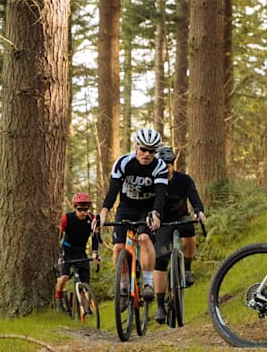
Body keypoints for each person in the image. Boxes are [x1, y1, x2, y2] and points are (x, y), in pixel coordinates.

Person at [95, 128, 168, 302]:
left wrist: (156, 214)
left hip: (148, 208)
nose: (147, 154)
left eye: (152, 151)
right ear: (136, 146)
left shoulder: (160, 166)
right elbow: (113, 191)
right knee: (118, 247)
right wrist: (103, 213)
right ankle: (124, 285)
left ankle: (148, 284)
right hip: (126, 207)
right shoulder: (123, 163)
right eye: (143, 149)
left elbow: (160, 195)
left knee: (144, 238)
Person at [152, 146, 206, 324]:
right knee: (160, 260)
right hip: (161, 222)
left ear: (173, 164)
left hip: (181, 217)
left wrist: (199, 211)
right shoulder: (152, 181)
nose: (166, 167)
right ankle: (160, 306)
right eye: (162, 164)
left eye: (169, 164)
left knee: (190, 230)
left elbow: (194, 198)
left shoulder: (184, 180)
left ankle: (188, 269)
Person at [54, 192, 101, 311]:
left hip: (81, 251)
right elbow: (59, 236)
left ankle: (85, 309)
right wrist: (60, 255)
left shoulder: (92, 219)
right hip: (67, 250)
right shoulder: (67, 219)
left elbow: (95, 237)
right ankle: (59, 302)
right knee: (64, 277)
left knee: (85, 283)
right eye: (80, 209)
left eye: (85, 209)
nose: (83, 212)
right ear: (75, 208)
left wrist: (95, 252)